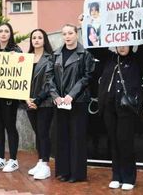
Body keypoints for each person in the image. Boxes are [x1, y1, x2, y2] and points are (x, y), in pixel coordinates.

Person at [84, 14, 143, 191]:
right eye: (119, 43)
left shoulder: (137, 60)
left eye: (125, 43)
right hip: (108, 106)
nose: (122, 47)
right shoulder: (109, 58)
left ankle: (129, 176)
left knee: (125, 141)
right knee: (113, 141)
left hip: (126, 109)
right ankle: (116, 175)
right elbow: (93, 46)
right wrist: (87, 24)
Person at [48, 24, 95, 183]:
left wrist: (71, 95)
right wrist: (55, 95)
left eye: (70, 33)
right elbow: (49, 78)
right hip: (59, 102)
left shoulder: (85, 54)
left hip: (78, 102)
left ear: (76, 34)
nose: (67, 36)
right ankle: (63, 171)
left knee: (77, 138)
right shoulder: (55, 54)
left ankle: (77, 173)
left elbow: (87, 77)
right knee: (61, 137)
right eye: (64, 34)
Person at [0, 23, 22, 172]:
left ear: (10, 34)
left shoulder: (16, 51)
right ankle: (1, 158)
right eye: (0, 31)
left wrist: (17, 59)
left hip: (9, 97)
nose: (3, 34)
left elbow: (23, 71)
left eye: (6, 31)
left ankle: (13, 160)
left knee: (10, 127)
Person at [26, 28, 55, 180]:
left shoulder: (50, 58)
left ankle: (45, 165)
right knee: (38, 133)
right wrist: (26, 99)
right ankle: (39, 161)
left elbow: (50, 83)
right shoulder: (26, 58)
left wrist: (37, 100)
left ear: (44, 40)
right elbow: (20, 81)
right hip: (28, 101)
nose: (36, 40)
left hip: (45, 102)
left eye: (39, 37)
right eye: (34, 38)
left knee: (43, 133)